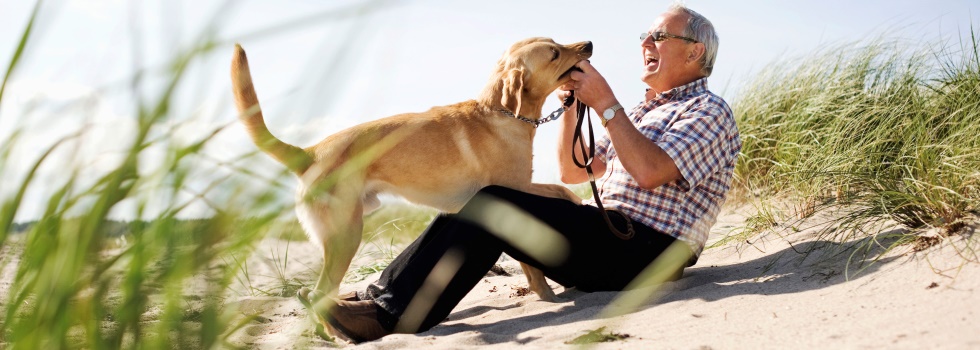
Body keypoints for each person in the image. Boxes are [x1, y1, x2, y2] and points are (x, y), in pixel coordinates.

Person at [322, 4, 741, 343]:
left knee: (493, 202)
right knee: (485, 198)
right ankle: (379, 297)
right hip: (608, 239)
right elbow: (575, 170)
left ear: (694, 52)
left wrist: (607, 104)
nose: (646, 43)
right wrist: (575, 108)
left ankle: (387, 315)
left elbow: (650, 173)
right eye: (645, 36)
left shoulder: (707, 111)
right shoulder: (642, 112)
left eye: (660, 37)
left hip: (648, 251)